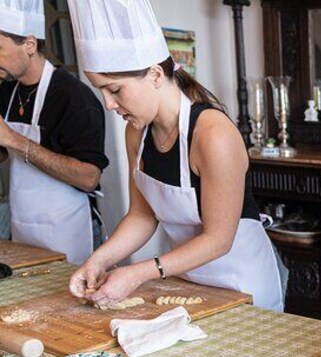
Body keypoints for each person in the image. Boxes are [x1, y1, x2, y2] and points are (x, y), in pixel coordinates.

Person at [66, 0, 287, 311]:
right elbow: (143, 215)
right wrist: (99, 259)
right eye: (101, 91)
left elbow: (218, 239)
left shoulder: (213, 135)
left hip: (243, 287)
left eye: (114, 90)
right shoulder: (136, 133)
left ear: (155, 75)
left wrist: (138, 273)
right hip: (188, 282)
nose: (108, 104)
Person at [0, 0, 108, 264]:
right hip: (24, 227)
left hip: (69, 231)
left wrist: (14, 139)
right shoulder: (6, 90)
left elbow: (88, 178)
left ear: (29, 44)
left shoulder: (74, 98)